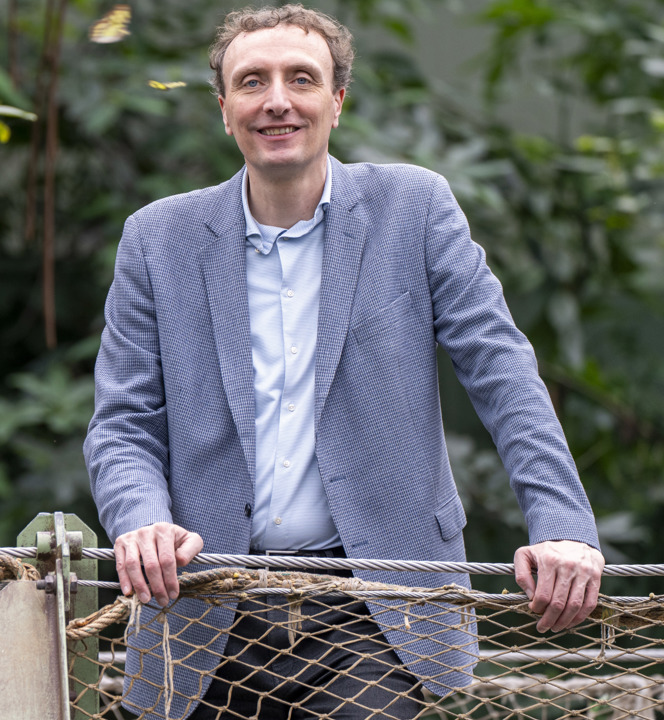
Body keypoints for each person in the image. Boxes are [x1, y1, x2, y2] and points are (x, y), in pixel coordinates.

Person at [83, 5, 605, 719]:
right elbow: (122, 422)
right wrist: (140, 520)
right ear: (224, 108)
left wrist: (563, 525)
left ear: (336, 100)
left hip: (378, 608)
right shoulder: (156, 239)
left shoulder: (415, 209)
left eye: (301, 78)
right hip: (203, 604)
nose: (277, 100)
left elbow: (502, 370)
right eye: (252, 81)